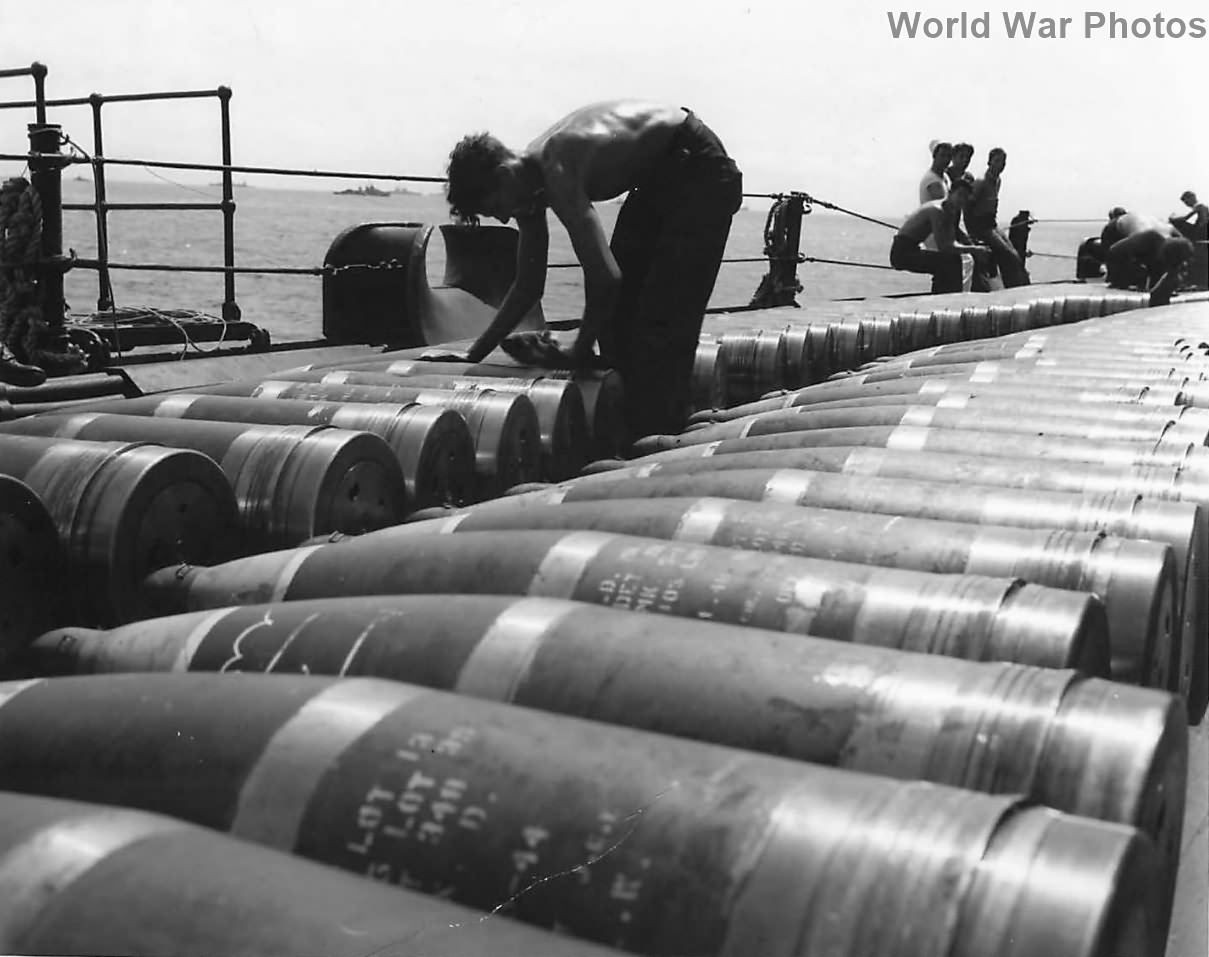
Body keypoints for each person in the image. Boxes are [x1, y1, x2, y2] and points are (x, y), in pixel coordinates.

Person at [425, 100, 743, 439]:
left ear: (503, 175)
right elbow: (527, 286)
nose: (504, 219)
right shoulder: (525, 187)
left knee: (662, 319)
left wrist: (577, 349)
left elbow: (606, 277)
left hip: (699, 166)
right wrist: (472, 354)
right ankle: (633, 421)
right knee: (618, 320)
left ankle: (660, 436)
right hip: (659, 178)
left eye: (496, 209)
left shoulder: (556, 166)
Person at [890, 177, 990, 294]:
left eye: (965, 198)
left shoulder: (950, 211)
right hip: (901, 253)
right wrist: (974, 250)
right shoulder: (937, 211)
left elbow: (951, 243)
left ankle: (951, 297)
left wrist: (974, 247)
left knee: (953, 259)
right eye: (960, 195)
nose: (961, 200)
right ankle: (942, 298)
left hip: (913, 248)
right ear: (951, 192)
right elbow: (944, 246)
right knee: (945, 262)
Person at [965, 148, 1029, 287]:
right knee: (1008, 254)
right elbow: (968, 207)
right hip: (980, 226)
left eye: (1003, 162)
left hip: (991, 224)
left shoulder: (997, 180)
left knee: (1014, 253)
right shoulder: (981, 181)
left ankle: (1019, 284)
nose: (1001, 165)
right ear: (989, 162)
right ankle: (1013, 287)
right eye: (997, 161)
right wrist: (971, 233)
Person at [1104, 211, 1194, 306]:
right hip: (1117, 227)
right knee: (1124, 278)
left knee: (1157, 266)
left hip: (1146, 227)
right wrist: (1115, 278)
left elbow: (1180, 258)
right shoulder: (1145, 238)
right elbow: (1113, 251)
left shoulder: (1173, 236)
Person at [1170, 190, 1209, 289]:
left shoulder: (1199, 206)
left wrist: (1173, 219)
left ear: (1192, 198)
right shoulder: (1200, 207)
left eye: (1186, 201)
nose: (1186, 204)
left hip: (1201, 235)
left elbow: (1186, 219)